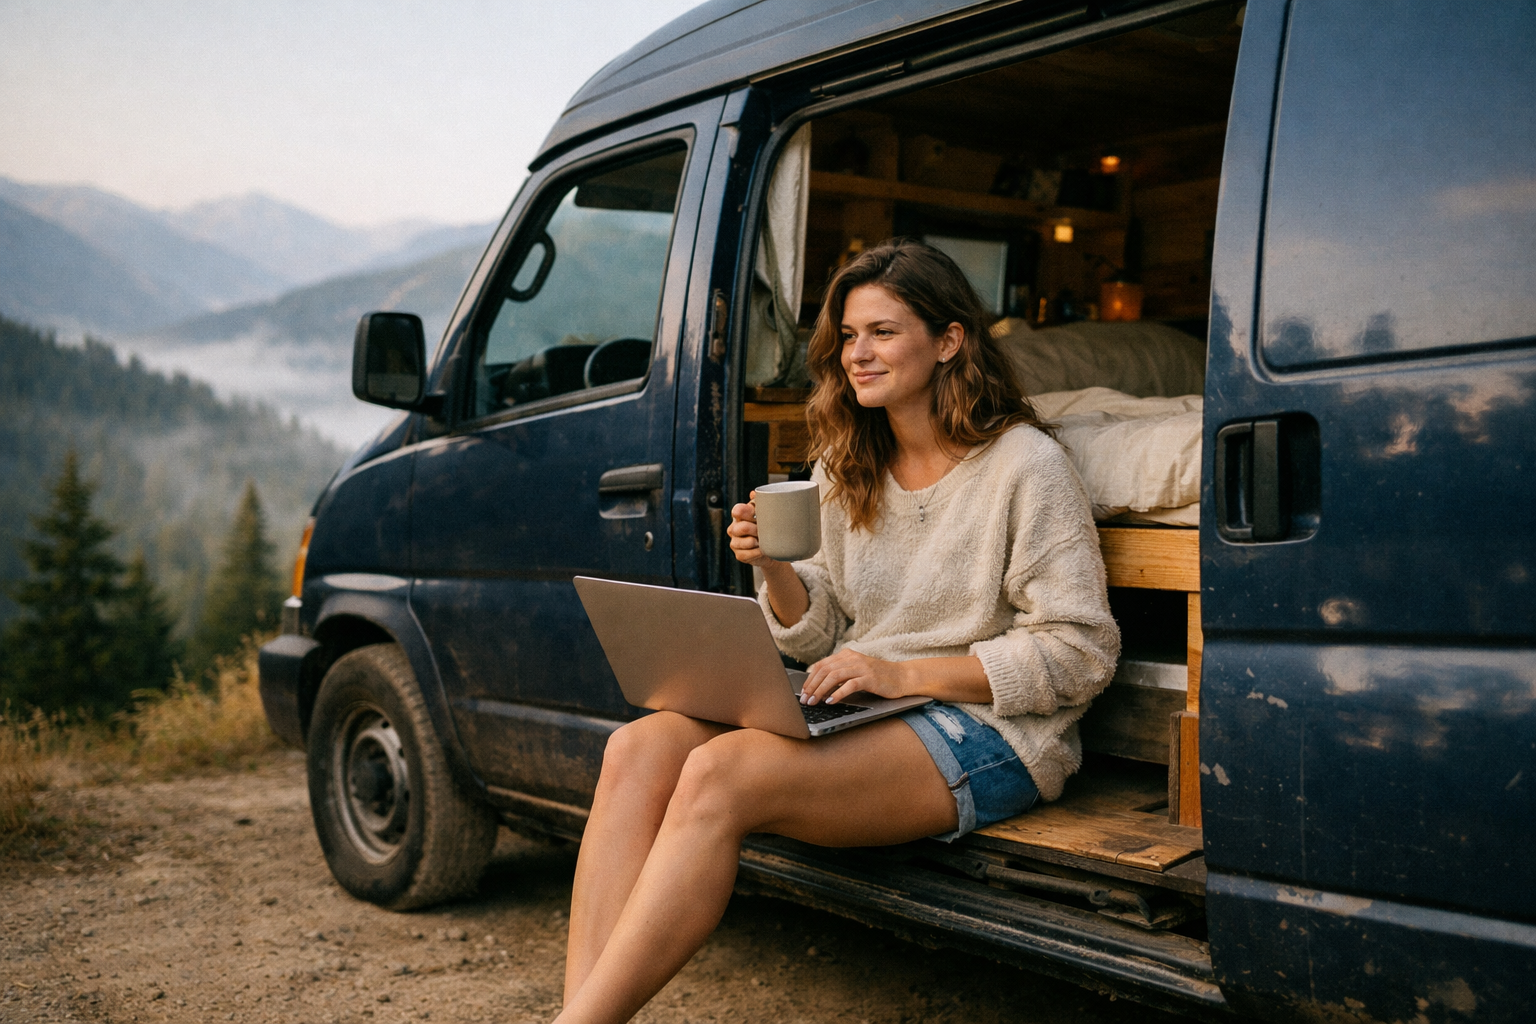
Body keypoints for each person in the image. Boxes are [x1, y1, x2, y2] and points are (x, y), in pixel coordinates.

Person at [555, 239, 1119, 1024]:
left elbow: (1080, 651)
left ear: (949, 339)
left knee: (722, 775)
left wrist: (905, 675)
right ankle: (580, 1013)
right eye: (850, 336)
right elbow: (817, 633)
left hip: (991, 732)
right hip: (868, 705)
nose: (859, 353)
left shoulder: (1023, 466)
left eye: (883, 332)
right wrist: (776, 572)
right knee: (639, 747)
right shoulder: (848, 459)